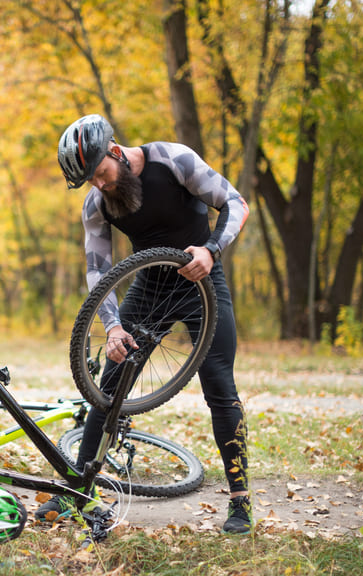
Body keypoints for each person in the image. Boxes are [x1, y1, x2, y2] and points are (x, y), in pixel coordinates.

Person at [39, 114, 252, 534]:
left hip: (201, 283)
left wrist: (210, 250)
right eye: (90, 180)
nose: (100, 184)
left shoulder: (173, 160)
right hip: (149, 289)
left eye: (100, 172)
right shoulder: (96, 203)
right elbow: (98, 272)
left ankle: (240, 501)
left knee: (219, 385)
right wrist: (114, 327)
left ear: (115, 151)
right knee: (108, 389)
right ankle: (81, 491)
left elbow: (236, 203)